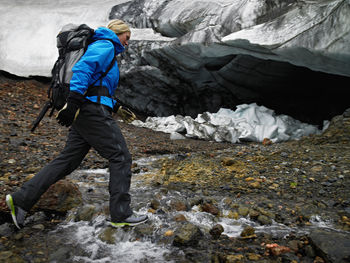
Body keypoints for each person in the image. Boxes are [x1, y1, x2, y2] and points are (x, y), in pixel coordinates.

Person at [6, 19, 148, 229]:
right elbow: (83, 69)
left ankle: (20, 200)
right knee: (120, 156)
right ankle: (121, 214)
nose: (127, 43)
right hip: (91, 112)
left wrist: (115, 106)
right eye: (126, 38)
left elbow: (97, 85)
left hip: (87, 110)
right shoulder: (106, 45)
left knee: (67, 161)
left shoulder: (101, 46)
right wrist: (72, 103)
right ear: (117, 33)